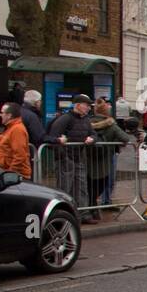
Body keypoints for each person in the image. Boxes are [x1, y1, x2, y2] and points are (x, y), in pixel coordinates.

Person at [45, 94, 99, 222]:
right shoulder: (65, 119)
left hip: (78, 157)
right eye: (86, 105)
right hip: (65, 158)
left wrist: (92, 139)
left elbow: (93, 134)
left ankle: (83, 214)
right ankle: (63, 214)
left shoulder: (86, 120)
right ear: (78, 105)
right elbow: (53, 138)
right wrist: (63, 156)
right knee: (65, 188)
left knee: (81, 187)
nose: (88, 108)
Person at [89, 99, 133, 213]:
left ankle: (90, 203)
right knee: (108, 179)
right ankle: (105, 201)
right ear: (107, 111)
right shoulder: (111, 124)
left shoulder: (88, 123)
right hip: (108, 155)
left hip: (89, 155)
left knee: (91, 180)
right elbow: (125, 138)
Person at [0, 102, 32, 178]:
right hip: (10, 174)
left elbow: (20, 156)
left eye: (2, 113)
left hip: (15, 176)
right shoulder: (12, 127)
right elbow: (4, 137)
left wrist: (9, 174)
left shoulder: (17, 129)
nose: (0, 115)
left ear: (9, 115)